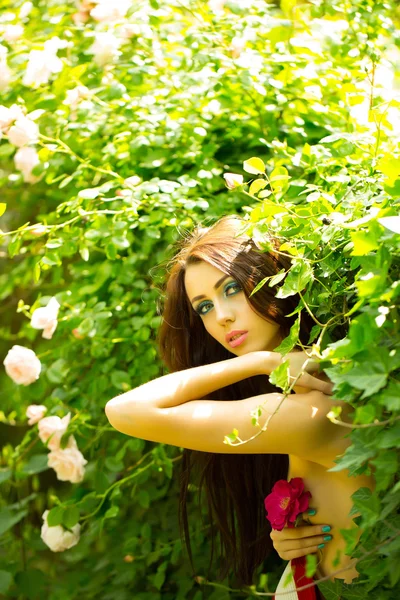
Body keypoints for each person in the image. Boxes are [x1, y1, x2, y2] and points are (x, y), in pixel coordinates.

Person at [105, 215, 374, 597]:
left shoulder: (314, 411)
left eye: (230, 288)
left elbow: (125, 410)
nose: (221, 316)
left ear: (271, 275)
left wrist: (256, 361)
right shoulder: (305, 396)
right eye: (203, 308)